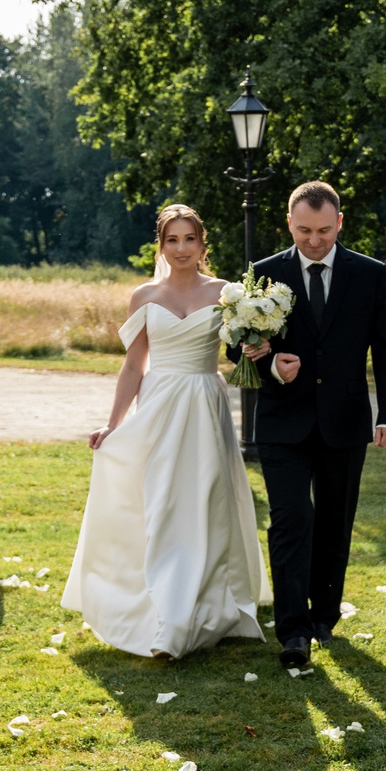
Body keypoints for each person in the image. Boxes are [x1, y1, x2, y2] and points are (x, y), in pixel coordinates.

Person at [64, 205, 268, 659]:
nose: (181, 248)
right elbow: (134, 365)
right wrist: (113, 424)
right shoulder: (144, 296)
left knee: (206, 502)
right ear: (161, 245)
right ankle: (165, 612)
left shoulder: (228, 293)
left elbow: (242, 349)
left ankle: (203, 605)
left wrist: (260, 345)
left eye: (189, 239)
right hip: (158, 407)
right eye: (172, 240)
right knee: (162, 504)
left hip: (204, 405)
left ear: (202, 244)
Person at [245, 182, 386, 669]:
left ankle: (324, 617)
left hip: (345, 419)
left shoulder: (370, 274)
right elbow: (239, 345)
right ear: (288, 225)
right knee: (292, 518)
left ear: (339, 223)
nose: (313, 240)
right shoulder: (263, 274)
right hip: (281, 422)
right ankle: (292, 632)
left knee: (335, 521)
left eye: (322, 230)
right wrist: (272, 365)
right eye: (302, 230)